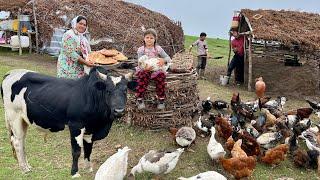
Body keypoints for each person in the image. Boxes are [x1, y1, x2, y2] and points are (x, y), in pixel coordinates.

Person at [136, 28, 171, 110]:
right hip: (145, 68)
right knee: (142, 76)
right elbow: (139, 62)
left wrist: (163, 60)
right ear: (144, 38)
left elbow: (168, 58)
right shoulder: (141, 50)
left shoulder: (158, 48)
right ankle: (140, 99)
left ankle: (161, 100)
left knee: (161, 76)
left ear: (155, 39)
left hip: (156, 69)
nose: (149, 39)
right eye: (147, 37)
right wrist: (145, 68)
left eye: (151, 38)